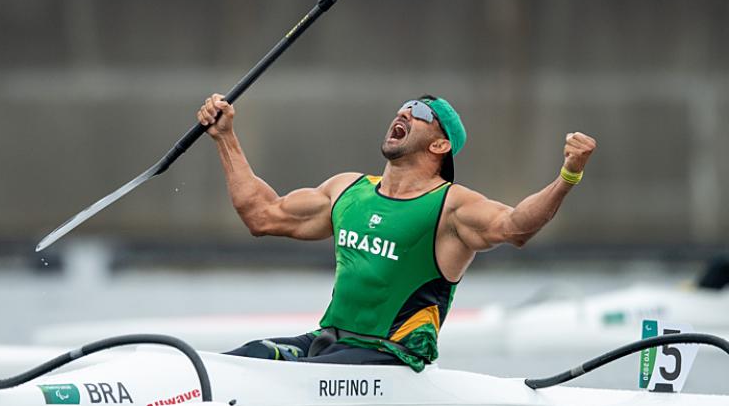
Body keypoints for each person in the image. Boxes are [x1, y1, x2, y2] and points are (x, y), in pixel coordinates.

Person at [196, 93, 596, 371]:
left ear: (440, 145)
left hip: (392, 359)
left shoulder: (453, 207)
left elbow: (516, 227)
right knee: (242, 358)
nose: (403, 113)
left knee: (298, 375)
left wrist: (568, 175)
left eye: (419, 110)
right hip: (329, 344)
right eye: (402, 107)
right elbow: (262, 215)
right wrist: (226, 137)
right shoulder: (348, 190)